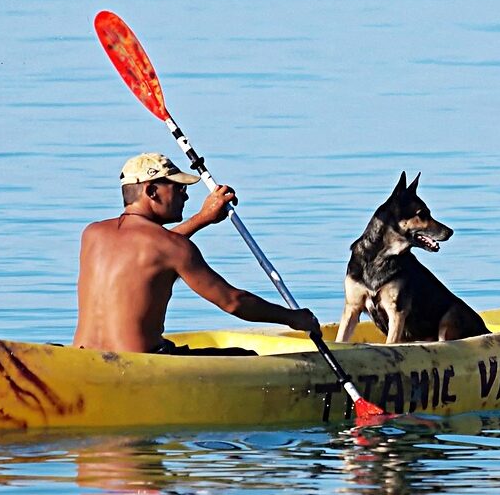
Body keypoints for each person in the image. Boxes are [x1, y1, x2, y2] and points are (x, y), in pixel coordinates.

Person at [73, 152, 320, 355]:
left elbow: (149, 249)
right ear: (151, 191)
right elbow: (233, 302)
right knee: (246, 357)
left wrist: (202, 218)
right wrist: (293, 318)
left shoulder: (92, 235)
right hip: (142, 365)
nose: (186, 194)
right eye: (177, 187)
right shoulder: (172, 248)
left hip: (83, 358)